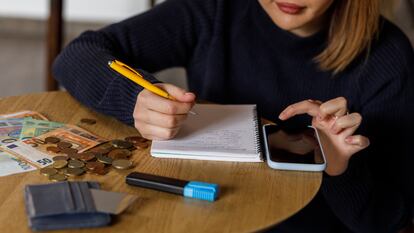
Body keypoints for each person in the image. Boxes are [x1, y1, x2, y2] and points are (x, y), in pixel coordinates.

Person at [53, 0, 414, 232]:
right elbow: (78, 55)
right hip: (206, 212)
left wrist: (336, 168)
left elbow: (385, 220)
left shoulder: (388, 57)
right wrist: (134, 98)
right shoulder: (214, 10)